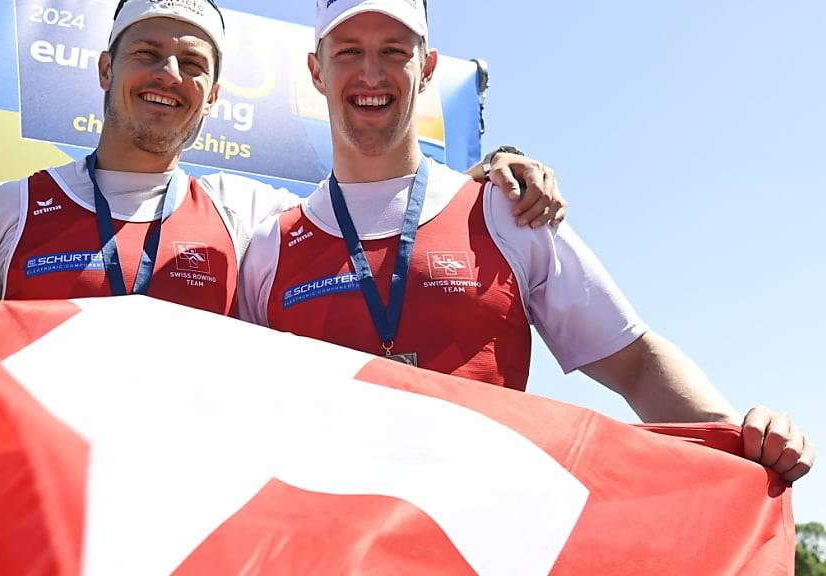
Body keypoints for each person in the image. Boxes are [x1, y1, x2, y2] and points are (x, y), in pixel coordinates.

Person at [237, 0, 813, 481]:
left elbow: (634, 362)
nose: (371, 74)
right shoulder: (270, 244)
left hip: (483, 541)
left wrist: (743, 439)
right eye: (348, 53)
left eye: (394, 52)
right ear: (316, 71)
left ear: (428, 66)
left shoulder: (506, 210)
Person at [0, 0, 563, 312]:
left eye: (192, 64)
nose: (168, 74)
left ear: (211, 97)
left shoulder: (244, 216)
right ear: (106, 68)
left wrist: (499, 167)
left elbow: (383, 205)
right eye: (147, 53)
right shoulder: (8, 211)